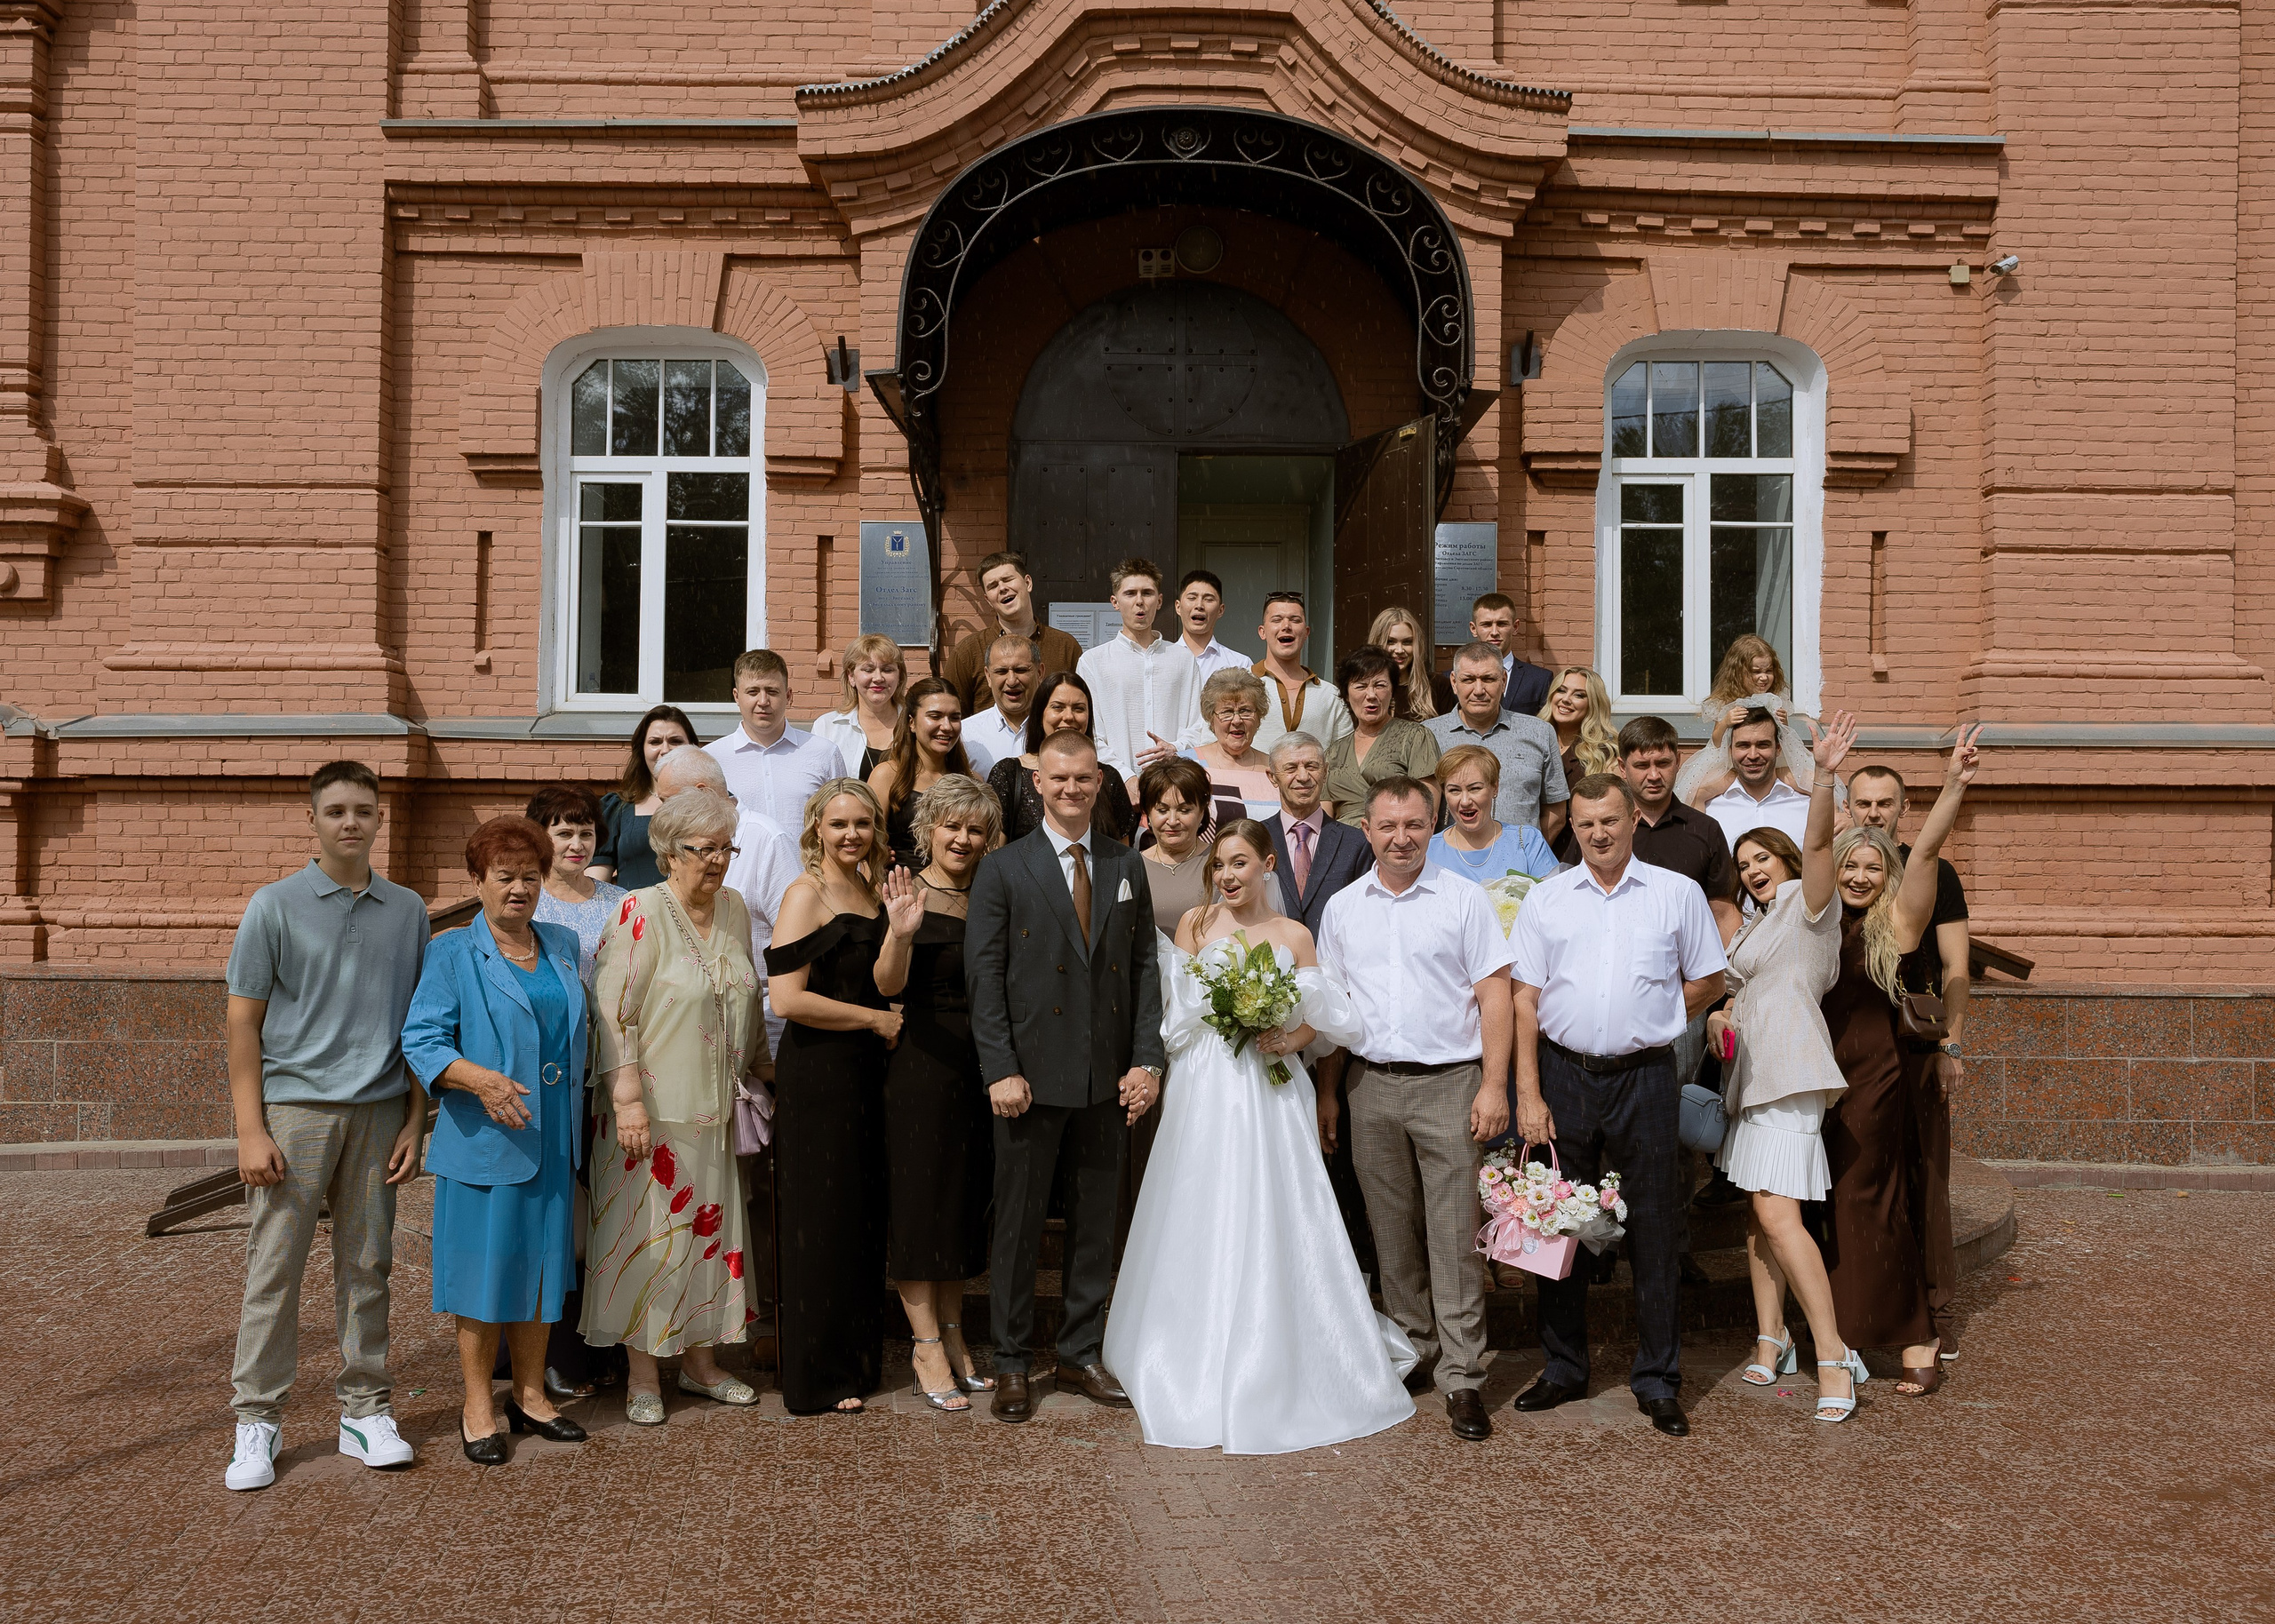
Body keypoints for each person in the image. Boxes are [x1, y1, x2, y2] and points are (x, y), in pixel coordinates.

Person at [1105, 820, 1415, 1453]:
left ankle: (1289, 1343)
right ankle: (1188, 1343)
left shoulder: (1294, 934)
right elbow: (1177, 1011)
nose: (1228, 876)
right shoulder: (1193, 924)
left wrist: (1289, 1036)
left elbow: (1330, 1017)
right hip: (1207, 1083)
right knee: (1202, 1199)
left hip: (1270, 1086)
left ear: (1267, 864)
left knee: (1277, 1200)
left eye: (1240, 864)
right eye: (1219, 865)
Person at [221, 761, 428, 1491]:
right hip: (296, 1111)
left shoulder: (408, 910)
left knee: (367, 1265)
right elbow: (243, 1025)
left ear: (379, 820)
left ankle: (365, 1410)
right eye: (336, 810)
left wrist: (416, 1117)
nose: (350, 822)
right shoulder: (273, 906)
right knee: (274, 1268)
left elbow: (418, 1025)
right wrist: (252, 1130)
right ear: (312, 820)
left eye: (364, 810)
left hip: (377, 1111)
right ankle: (258, 1420)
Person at [1508, 773, 1728, 1438]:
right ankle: (1565, 1366)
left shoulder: (1676, 894)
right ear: (1571, 826)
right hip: (1563, 1074)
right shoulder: (1548, 899)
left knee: (1656, 1226)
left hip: (1646, 1078)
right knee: (1559, 1227)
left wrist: (1658, 1018)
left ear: (1633, 819)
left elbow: (1710, 979)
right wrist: (1528, 1092)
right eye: (1585, 824)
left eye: (1609, 821)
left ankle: (1658, 1379)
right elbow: (1525, 997)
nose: (1598, 834)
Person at [967, 730, 1165, 1423]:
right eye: (1059, 778)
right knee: (1018, 1227)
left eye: (1085, 778)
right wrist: (1000, 1070)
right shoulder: (1004, 868)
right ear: (1038, 785)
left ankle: (1080, 1353)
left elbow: (1144, 971)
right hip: (1027, 1079)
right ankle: (1014, 1361)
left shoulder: (1124, 865)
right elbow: (984, 981)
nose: (1072, 789)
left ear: (1101, 783)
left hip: (1105, 1080)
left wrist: (1147, 1060)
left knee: (1094, 1227)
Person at [1317, 776, 1514, 1442]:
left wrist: (1494, 1086)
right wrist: (1328, 1094)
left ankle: (1463, 1376)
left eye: (1413, 825)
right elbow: (1335, 1011)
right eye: (1388, 826)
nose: (1401, 838)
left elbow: (1494, 995)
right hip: (1370, 1086)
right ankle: (1413, 1349)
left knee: (1455, 1237)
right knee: (1392, 1233)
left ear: (1431, 826)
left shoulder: (1464, 900)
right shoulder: (1343, 909)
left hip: (1451, 1083)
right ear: (1366, 831)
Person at [402, 816, 593, 1462]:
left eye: (531, 878)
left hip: (554, 1133)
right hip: (488, 1134)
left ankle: (532, 1394)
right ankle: (478, 1402)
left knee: (544, 1269)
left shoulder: (563, 943)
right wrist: (480, 1080)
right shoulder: (453, 951)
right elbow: (422, 1039)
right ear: (477, 881)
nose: (519, 889)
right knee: (485, 1274)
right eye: (505, 877)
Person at [1707, 714, 1872, 1423]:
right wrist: (1719, 1015)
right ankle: (1771, 1339)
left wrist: (1827, 776)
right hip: (1752, 1079)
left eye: (1760, 859)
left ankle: (1836, 1357)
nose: (1751, 870)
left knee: (1780, 1216)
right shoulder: (1752, 926)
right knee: (1760, 1216)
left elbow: (1818, 842)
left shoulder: (1812, 909)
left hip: (1792, 1077)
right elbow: (1738, 991)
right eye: (1743, 865)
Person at [584, 789, 767, 1423]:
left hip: (715, 1114)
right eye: (703, 849)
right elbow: (613, 1011)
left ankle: (701, 1363)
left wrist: (764, 1074)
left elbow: (748, 996)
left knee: (710, 1238)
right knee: (653, 1239)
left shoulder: (736, 909)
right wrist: (627, 1097)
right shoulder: (641, 908)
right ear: (667, 852)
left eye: (726, 848)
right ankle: (643, 1375)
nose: (717, 860)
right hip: (652, 1117)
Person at [1821, 726, 1984, 1397]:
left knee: (1869, 1196)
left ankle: (1910, 1332)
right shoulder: (1816, 913)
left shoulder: (1898, 923)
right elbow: (1808, 848)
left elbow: (1928, 860)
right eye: (1849, 865)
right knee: (1834, 1200)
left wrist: (1955, 785)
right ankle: (1844, 1332)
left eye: (1872, 867)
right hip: (1815, 1074)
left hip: (1876, 1075)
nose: (1860, 875)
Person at [764, 778, 903, 1414]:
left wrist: (900, 934)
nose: (852, 835)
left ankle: (852, 1363)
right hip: (818, 1073)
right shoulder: (806, 892)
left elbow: (885, 980)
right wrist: (874, 1021)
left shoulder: (874, 891)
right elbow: (787, 1000)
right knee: (818, 1220)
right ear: (816, 828)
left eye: (863, 824)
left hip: (867, 1074)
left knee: (857, 1216)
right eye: (839, 824)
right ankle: (814, 1376)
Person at [873, 776, 1001, 1412]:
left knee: (959, 1203)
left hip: (980, 1065)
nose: (963, 838)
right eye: (952, 826)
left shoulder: (992, 892)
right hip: (920, 1062)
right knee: (921, 1205)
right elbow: (886, 984)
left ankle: (953, 1333)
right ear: (929, 828)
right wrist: (899, 932)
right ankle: (924, 1343)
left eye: (975, 829)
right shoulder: (904, 889)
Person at [1848, 761, 1970, 1365]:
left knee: (1923, 1178)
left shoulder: (1927, 877)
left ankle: (1932, 1306)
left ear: (1903, 808)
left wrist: (1951, 1044)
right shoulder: (1837, 878)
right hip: (1849, 1055)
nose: (1873, 813)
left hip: (1914, 1046)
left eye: (1884, 803)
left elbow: (1956, 970)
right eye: (1862, 803)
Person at [523, 784, 628, 1400]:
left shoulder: (620, 902)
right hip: (549, 1079)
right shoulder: (528, 905)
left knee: (605, 1214)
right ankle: (552, 1353)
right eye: (562, 830)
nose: (575, 841)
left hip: (611, 1074)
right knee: (559, 1221)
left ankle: (604, 1343)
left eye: (584, 830)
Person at [1425, 641, 1569, 844]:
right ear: (1454, 682)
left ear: (1503, 680)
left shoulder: (1539, 732)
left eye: (1488, 679)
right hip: (1451, 868)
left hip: (1519, 870)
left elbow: (1556, 811)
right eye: (1468, 680)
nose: (1479, 690)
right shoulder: (1429, 734)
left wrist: (1526, 853)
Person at [1078, 556, 1199, 784]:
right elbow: (1090, 733)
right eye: (1130, 593)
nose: (1140, 601)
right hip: (1114, 786)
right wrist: (1126, 777)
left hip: (1175, 783)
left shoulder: (1183, 659)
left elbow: (1199, 724)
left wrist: (1177, 748)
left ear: (1160, 600)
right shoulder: (1093, 662)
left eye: (1147, 593)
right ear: (1115, 602)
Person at [986, 670, 1136, 846]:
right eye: (1058, 707)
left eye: (1079, 708)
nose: (1069, 717)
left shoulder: (1108, 777)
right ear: (1040, 713)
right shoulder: (1008, 774)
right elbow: (995, 855)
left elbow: (1122, 858)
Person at [704, 648, 840, 832]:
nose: (763, 701)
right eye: (752, 692)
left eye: (772, 691)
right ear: (736, 696)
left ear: (788, 696)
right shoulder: (711, 759)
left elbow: (842, 821)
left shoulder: (824, 753)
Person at [1675, 634, 1816, 806]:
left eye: (1768, 671)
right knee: (1696, 792)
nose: (1763, 678)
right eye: (1756, 672)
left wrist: (1783, 723)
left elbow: (1784, 739)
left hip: (1775, 764)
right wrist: (1726, 721)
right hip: (1732, 767)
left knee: (1814, 783)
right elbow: (1716, 741)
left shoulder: (1775, 699)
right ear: (1739, 673)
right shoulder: (1726, 702)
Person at [939, 549, 1086, 713]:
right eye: (993, 586)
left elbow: (1082, 707)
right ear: (988, 599)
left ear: (1028, 583)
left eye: (1008, 580)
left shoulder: (1065, 646)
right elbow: (952, 715)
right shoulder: (968, 652)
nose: (1002, 588)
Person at [1324, 644, 1441, 826]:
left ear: (1392, 691)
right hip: (1343, 847)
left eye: (1380, 685)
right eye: (1361, 686)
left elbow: (1427, 809)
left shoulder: (1415, 737)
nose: (1371, 695)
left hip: (1397, 842)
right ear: (1346, 694)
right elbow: (1323, 820)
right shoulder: (1333, 752)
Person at [867, 675, 972, 871]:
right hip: (899, 894)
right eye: (935, 716)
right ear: (912, 722)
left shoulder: (971, 781)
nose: (947, 726)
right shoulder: (887, 775)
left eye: (955, 717)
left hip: (957, 896)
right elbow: (868, 848)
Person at [528, 786, 628, 988]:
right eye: (565, 834)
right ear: (539, 837)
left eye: (586, 834)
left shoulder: (621, 902)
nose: (577, 845)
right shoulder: (525, 898)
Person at [1426, 744, 1559, 892]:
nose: (1465, 801)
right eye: (1454, 790)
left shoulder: (1527, 841)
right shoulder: (1428, 849)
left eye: (1474, 789)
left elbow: (1552, 899)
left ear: (1495, 787)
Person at [591, 705, 696, 889]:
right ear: (642, 749)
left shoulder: (710, 802)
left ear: (692, 748)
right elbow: (597, 884)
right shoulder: (617, 808)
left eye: (676, 741)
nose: (665, 750)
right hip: (635, 915)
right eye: (655, 742)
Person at [1703, 706, 1814, 856]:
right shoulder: (1709, 810)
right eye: (1744, 745)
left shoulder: (1807, 806)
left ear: (1778, 749)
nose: (1753, 755)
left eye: (1763, 745)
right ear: (1730, 750)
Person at [1250, 592, 1352, 755]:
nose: (1286, 626)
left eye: (1295, 620)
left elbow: (1344, 757)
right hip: (1252, 780)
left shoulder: (1331, 695)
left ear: (1306, 632)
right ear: (1262, 632)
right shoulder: (1239, 686)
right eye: (1277, 620)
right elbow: (1209, 744)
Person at [1185, 666, 1282, 824]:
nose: (1237, 720)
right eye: (1227, 712)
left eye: (1245, 711)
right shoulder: (1187, 765)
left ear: (1259, 718)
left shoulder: (1277, 769)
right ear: (1211, 718)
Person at [1138, 757, 1217, 936]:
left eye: (1184, 810)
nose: (1172, 821)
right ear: (1148, 813)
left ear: (1202, 811)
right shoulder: (1133, 866)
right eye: (1162, 810)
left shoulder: (1219, 862)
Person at [810, 633, 906, 779]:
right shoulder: (826, 728)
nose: (878, 678)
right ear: (851, 676)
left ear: (899, 676)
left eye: (887, 670)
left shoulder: (915, 725)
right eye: (868, 670)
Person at [1539, 665, 1617, 822]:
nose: (1566, 699)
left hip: (1576, 843)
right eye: (1561, 690)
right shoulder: (1533, 741)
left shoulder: (1603, 754)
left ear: (1593, 705)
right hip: (1528, 841)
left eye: (1579, 695)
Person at [1452, 592, 1552, 716]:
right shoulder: (1452, 679)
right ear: (1474, 629)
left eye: (1502, 624)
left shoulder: (1539, 679)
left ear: (1515, 627)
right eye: (1486, 624)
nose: (1494, 632)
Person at [961, 633, 1039, 776]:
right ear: (988, 676)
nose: (1012, 681)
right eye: (1001, 671)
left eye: (1020, 670)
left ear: (1040, 672)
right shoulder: (965, 736)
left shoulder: (1054, 732)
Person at [1172, 568, 1253, 685]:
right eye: (1192, 598)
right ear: (1178, 607)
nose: (1199, 605)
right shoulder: (1161, 660)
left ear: (1221, 610)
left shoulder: (1240, 665)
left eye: (1208, 599)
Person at [1367, 605, 1438, 721]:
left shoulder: (1437, 686)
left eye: (1407, 642)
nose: (1399, 650)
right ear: (1377, 642)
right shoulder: (1362, 690)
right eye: (1391, 642)